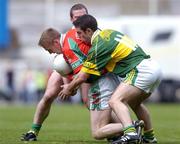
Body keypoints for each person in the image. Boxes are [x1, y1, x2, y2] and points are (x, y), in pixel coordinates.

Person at [59, 14, 162, 143]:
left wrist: (69, 87)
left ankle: (130, 132)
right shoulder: (108, 32)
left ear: (89, 31)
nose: (78, 37)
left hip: (141, 70)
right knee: (135, 104)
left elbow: (83, 76)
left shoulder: (98, 46)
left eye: (79, 33)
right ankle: (150, 137)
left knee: (115, 101)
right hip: (153, 67)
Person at [21, 3, 90, 141]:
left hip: (83, 67)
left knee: (87, 101)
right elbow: (64, 56)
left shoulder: (90, 30)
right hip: (65, 65)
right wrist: (68, 83)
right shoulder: (70, 33)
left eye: (83, 16)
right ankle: (33, 131)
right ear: (71, 19)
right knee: (48, 95)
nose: (80, 18)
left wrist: (73, 85)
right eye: (77, 17)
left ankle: (118, 130)